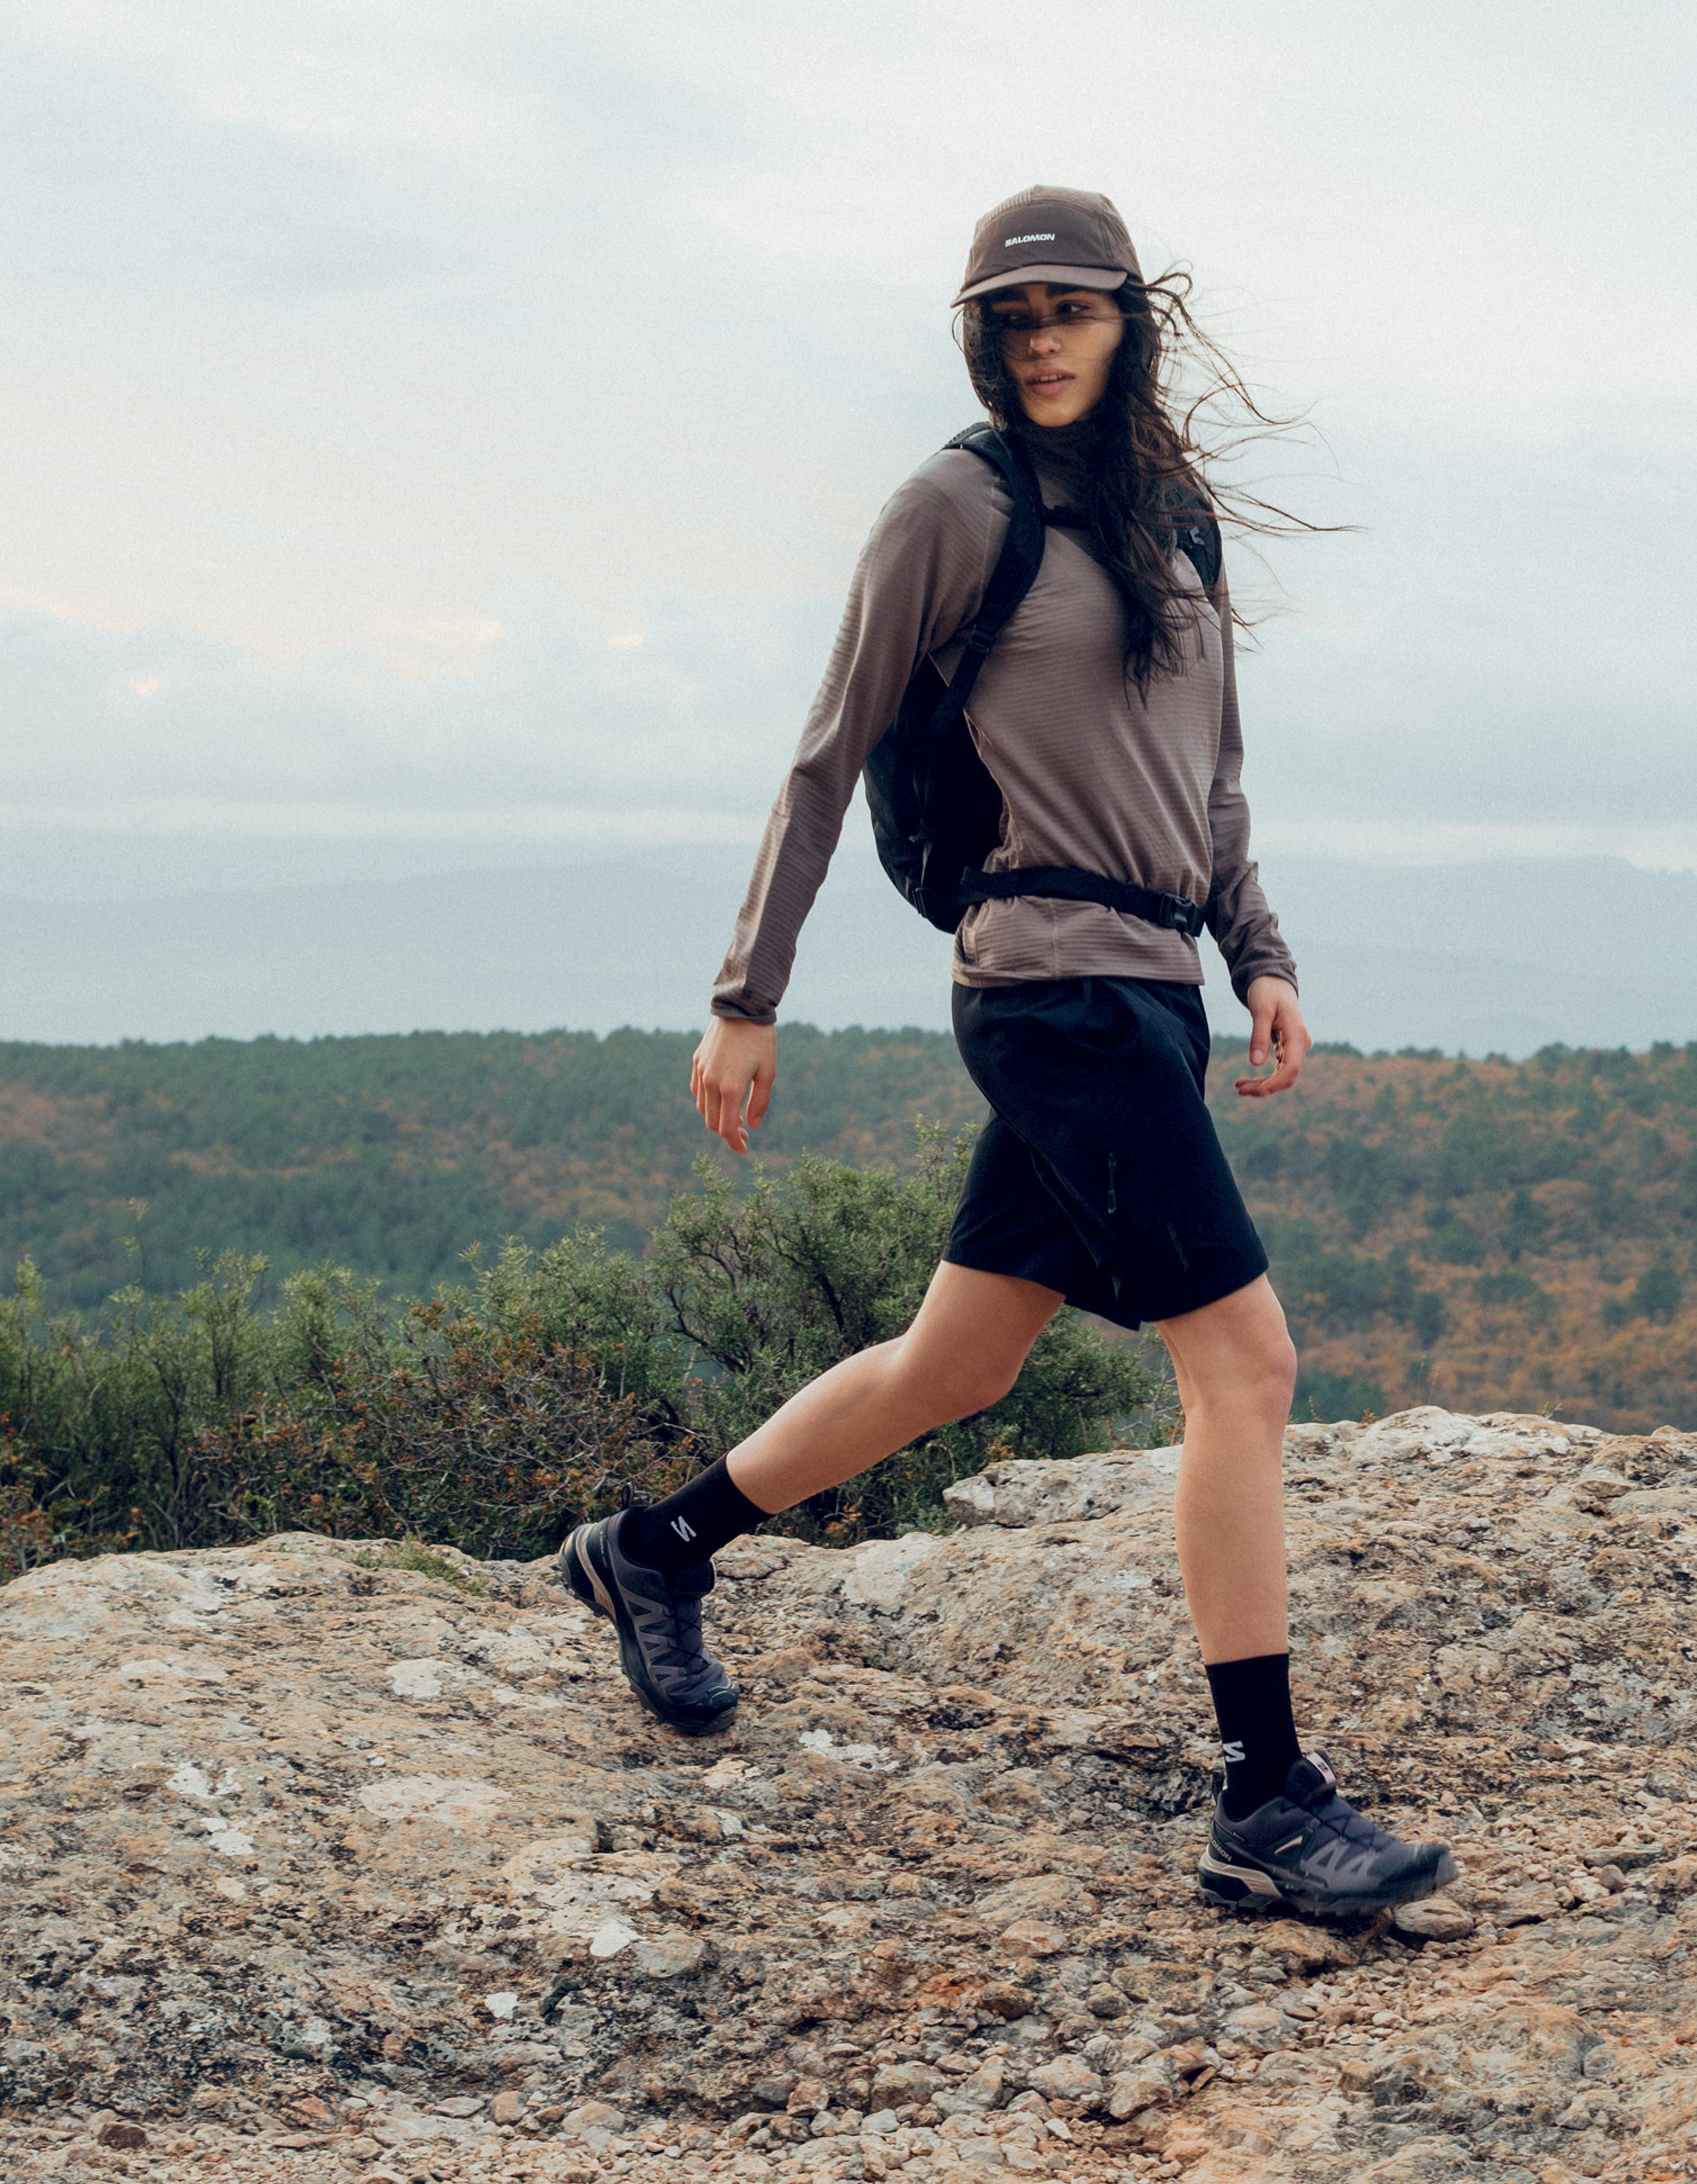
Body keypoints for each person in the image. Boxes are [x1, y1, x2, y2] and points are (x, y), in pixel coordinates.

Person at [562, 187, 1453, 1918]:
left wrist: (1258, 954)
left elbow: (1212, 781)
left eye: (1071, 308)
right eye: (1009, 314)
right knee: (1247, 1366)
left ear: (1133, 321)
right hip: (1041, 984)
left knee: (958, 1358)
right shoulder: (950, 512)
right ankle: (1266, 1800)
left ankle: (653, 1551)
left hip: (1153, 990)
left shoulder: (1172, 523)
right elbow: (825, 757)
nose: (1039, 336)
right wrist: (748, 995)